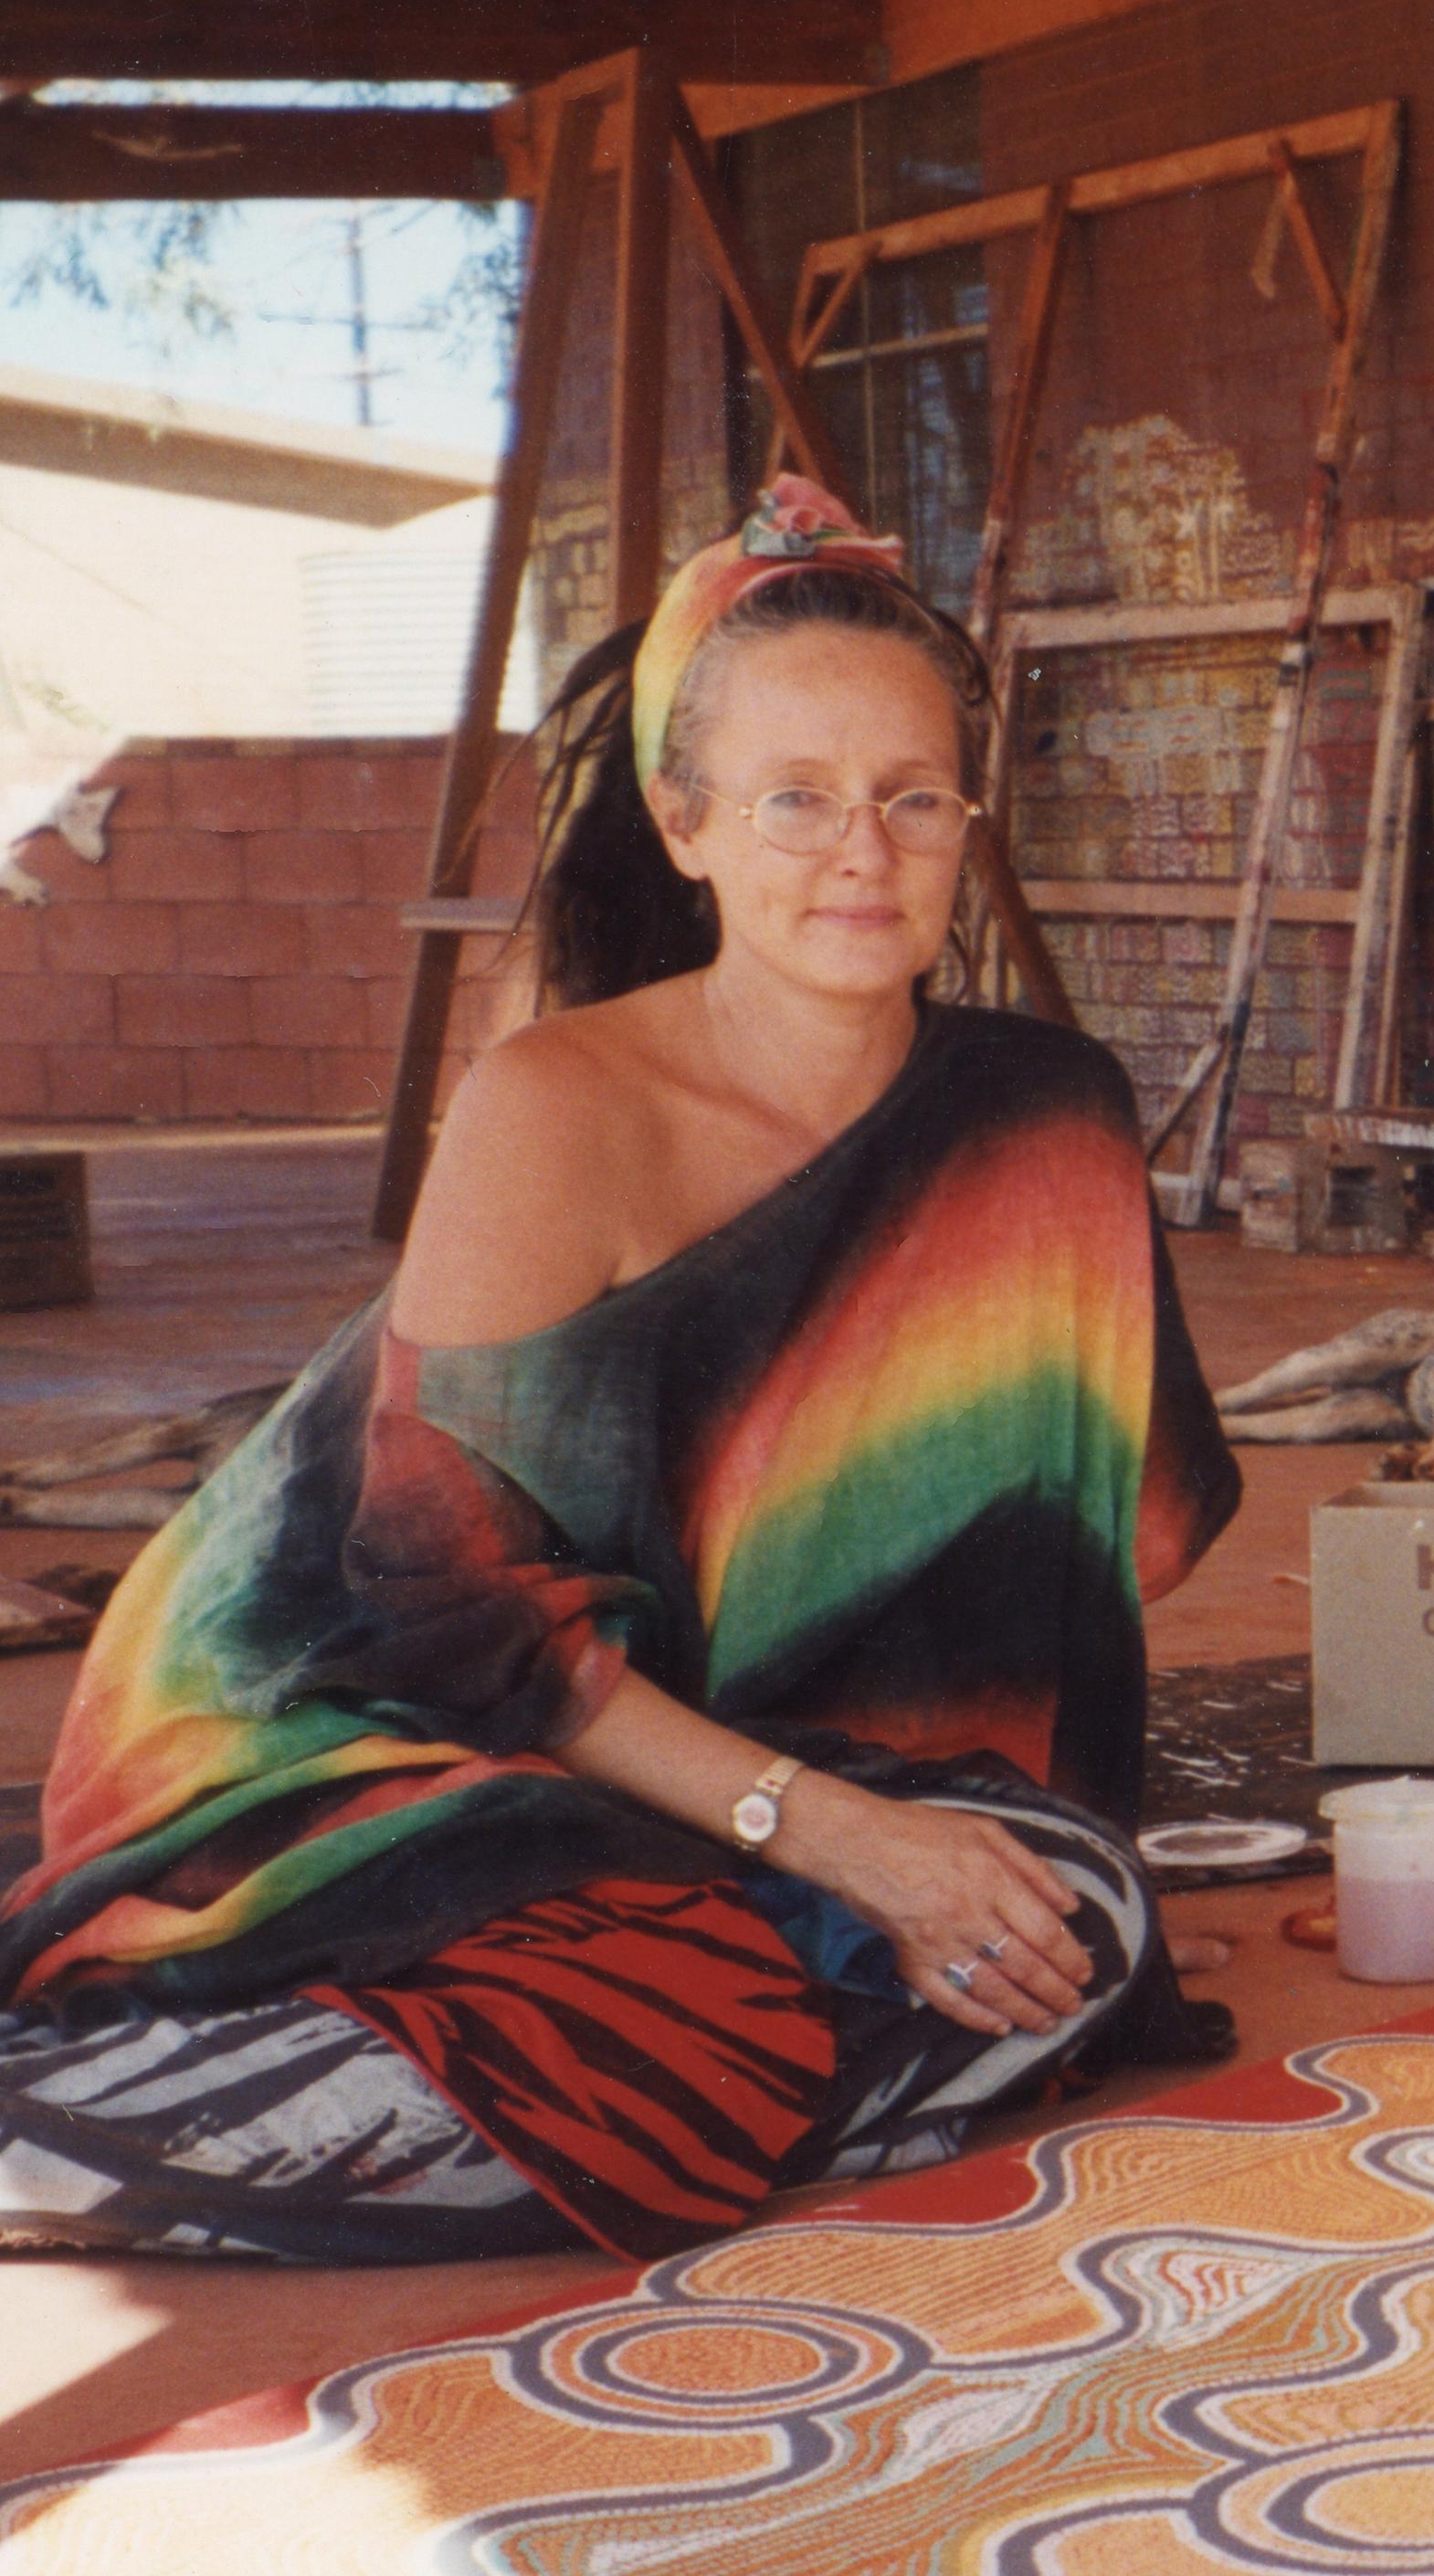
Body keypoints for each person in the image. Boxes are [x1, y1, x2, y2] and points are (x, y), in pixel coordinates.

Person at [0, 478, 1240, 2263]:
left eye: (912, 797)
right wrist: (830, 1836)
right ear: (685, 820)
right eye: (795, 798)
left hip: (754, 1749)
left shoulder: (1045, 1115)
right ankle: (84, 2129)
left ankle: (386, 2117)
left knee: (1069, 1912)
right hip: (375, 1707)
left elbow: (1066, 1584)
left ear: (968, 814)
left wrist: (908, 1842)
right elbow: (437, 1612)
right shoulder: (554, 1107)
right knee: (696, 1999)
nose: (861, 853)